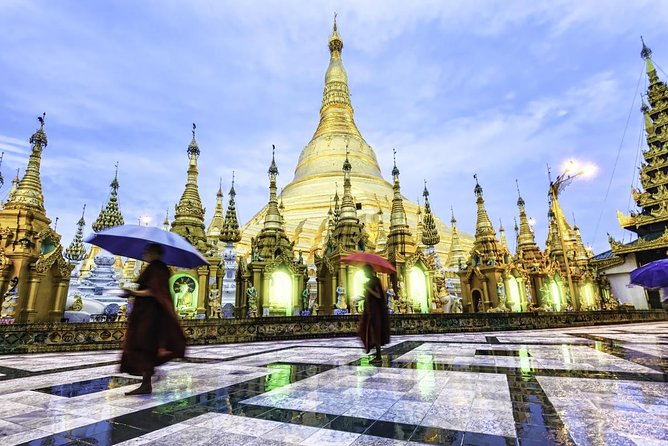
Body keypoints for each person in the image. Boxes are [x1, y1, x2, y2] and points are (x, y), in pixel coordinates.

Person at [121, 243, 186, 395]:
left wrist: (133, 293)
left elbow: (154, 291)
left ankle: (146, 383)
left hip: (152, 315)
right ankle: (146, 382)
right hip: (145, 313)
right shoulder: (155, 268)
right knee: (143, 347)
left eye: (148, 251)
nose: (145, 254)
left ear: (155, 253)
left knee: (147, 346)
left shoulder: (158, 268)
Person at [358, 264, 390, 362]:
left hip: (375, 311)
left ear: (369, 271)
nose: (365, 274)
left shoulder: (375, 281)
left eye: (365, 272)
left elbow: (378, 295)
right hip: (370, 310)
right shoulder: (370, 281)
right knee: (369, 331)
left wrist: (368, 289)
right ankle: (376, 354)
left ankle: (379, 356)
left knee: (375, 332)